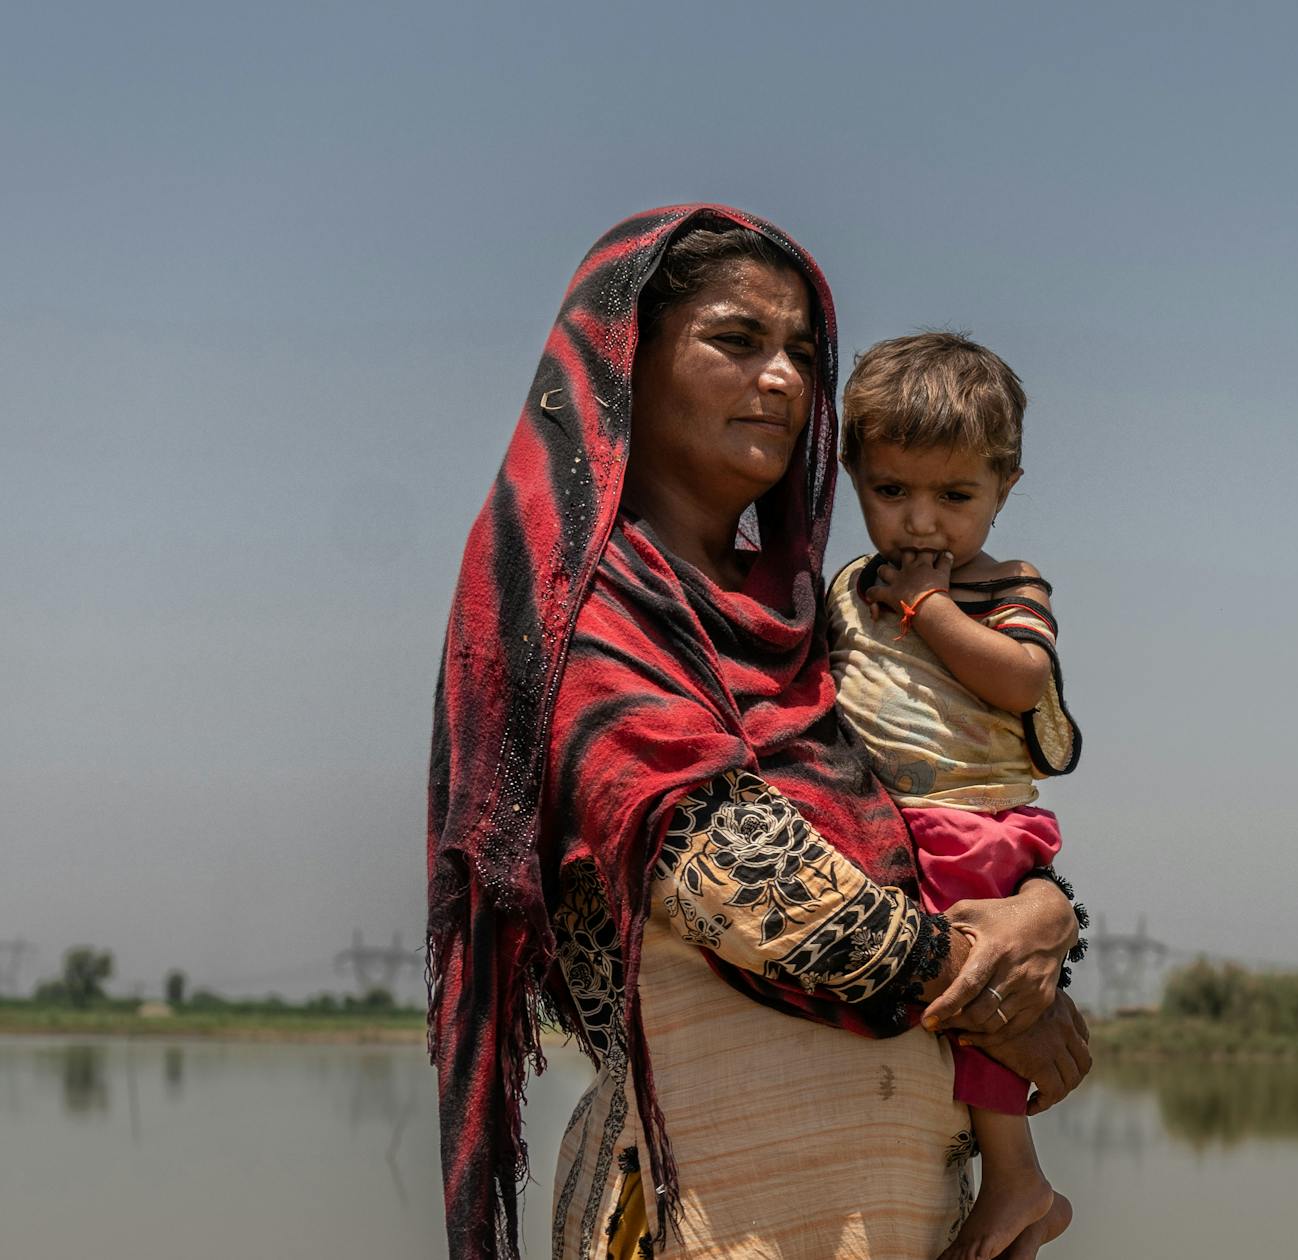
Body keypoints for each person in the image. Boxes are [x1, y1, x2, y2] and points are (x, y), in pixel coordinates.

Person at [426, 205, 1093, 1260]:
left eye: (804, 355)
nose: (784, 378)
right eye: (738, 341)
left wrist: (1047, 913)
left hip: (900, 1207)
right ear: (624, 365)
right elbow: (746, 881)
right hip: (709, 1213)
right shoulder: (590, 618)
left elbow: (942, 822)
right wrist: (999, 986)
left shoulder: (814, 624)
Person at [826, 330, 1085, 1259]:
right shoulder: (848, 590)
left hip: (972, 822)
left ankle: (1017, 1177)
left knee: (977, 976)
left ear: (1005, 488)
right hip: (888, 819)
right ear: (852, 475)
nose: (922, 524)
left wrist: (929, 608)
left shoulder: (1004, 586)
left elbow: (1021, 684)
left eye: (955, 496)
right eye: (892, 493)